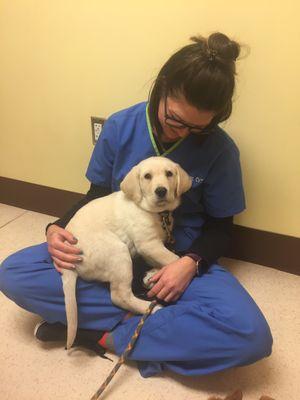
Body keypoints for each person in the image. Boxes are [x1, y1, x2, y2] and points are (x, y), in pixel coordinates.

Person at [0, 32, 272, 378]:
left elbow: (221, 227)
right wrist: (55, 228)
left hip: (178, 256)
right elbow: (96, 195)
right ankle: (152, 322)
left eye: (197, 129)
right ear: (161, 87)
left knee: (251, 336)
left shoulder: (221, 150)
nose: (182, 134)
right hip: (111, 243)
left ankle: (101, 333)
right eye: (175, 119)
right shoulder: (120, 126)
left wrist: (189, 264)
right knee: (14, 273)